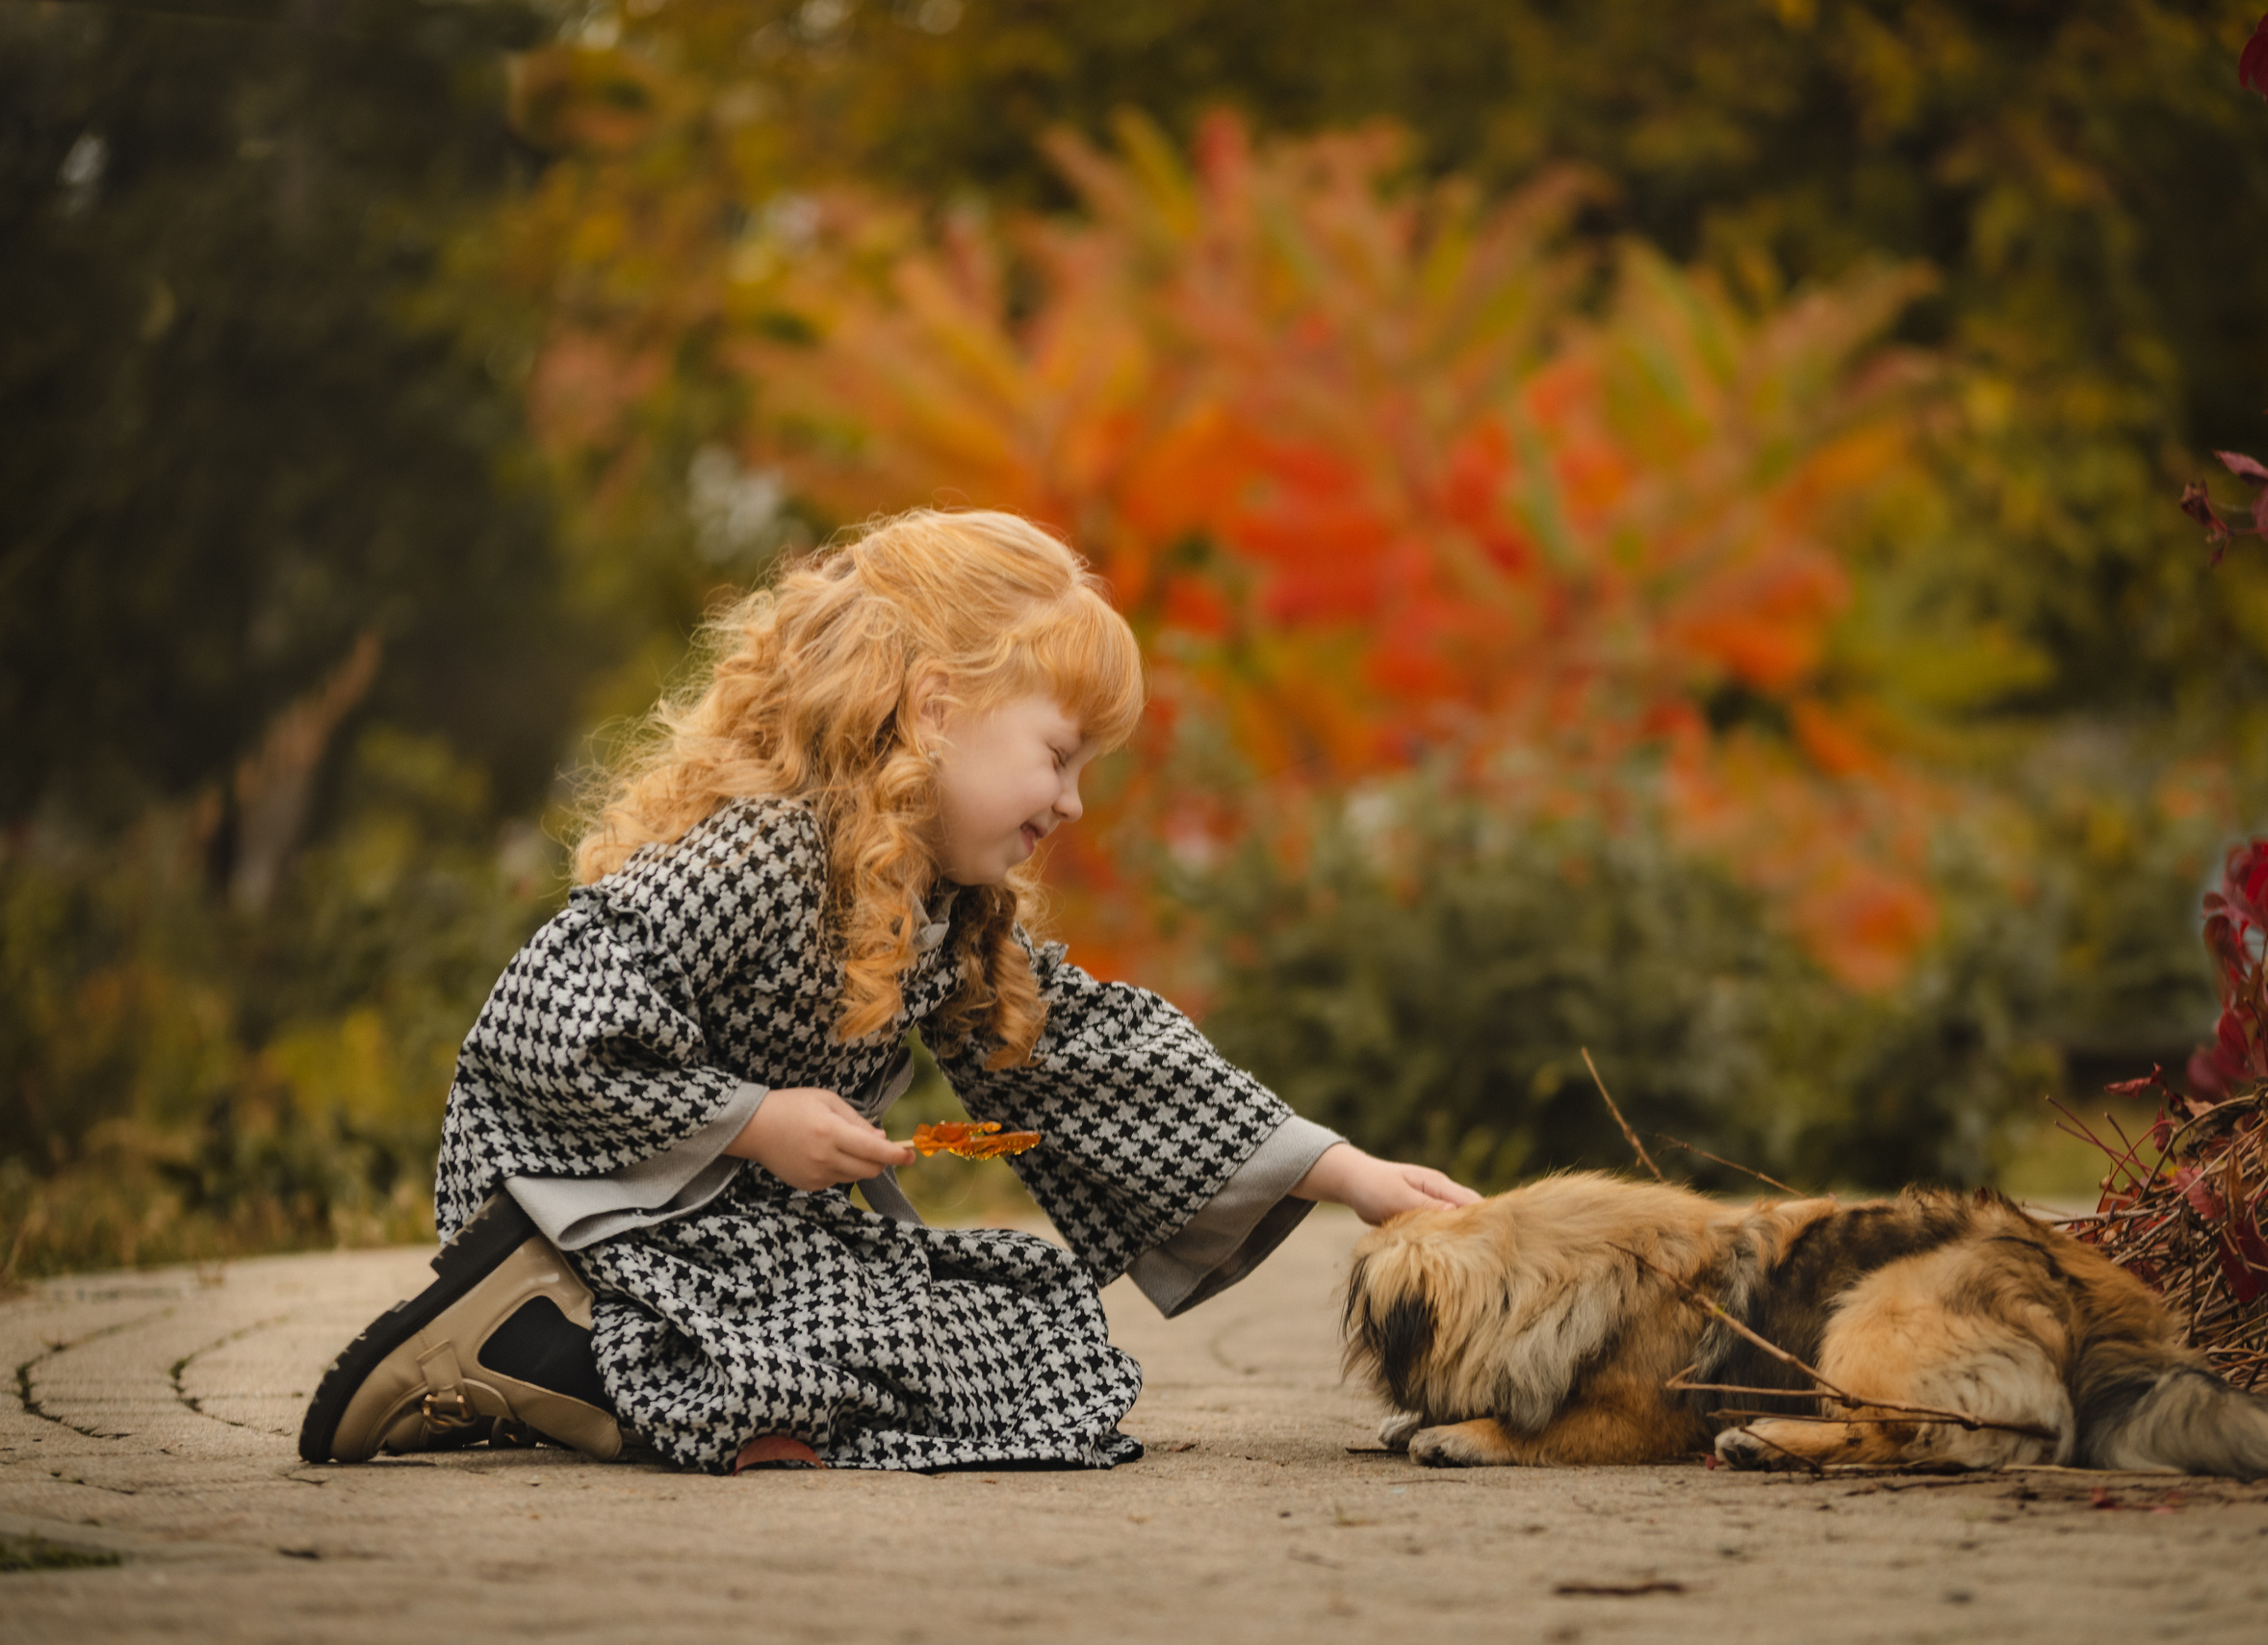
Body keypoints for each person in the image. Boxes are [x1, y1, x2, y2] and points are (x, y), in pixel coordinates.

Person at [298, 509, 1479, 1476]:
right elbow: (544, 1014)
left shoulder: (940, 905)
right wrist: (753, 1121)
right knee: (855, 1349)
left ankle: (604, 1381)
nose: (1071, 803)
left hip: (733, 1234)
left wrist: (1340, 1171)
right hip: (584, 1208)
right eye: (1059, 754)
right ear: (936, 708)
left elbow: (1089, 1058)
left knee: (1037, 1340)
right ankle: (543, 1341)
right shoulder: (762, 850)